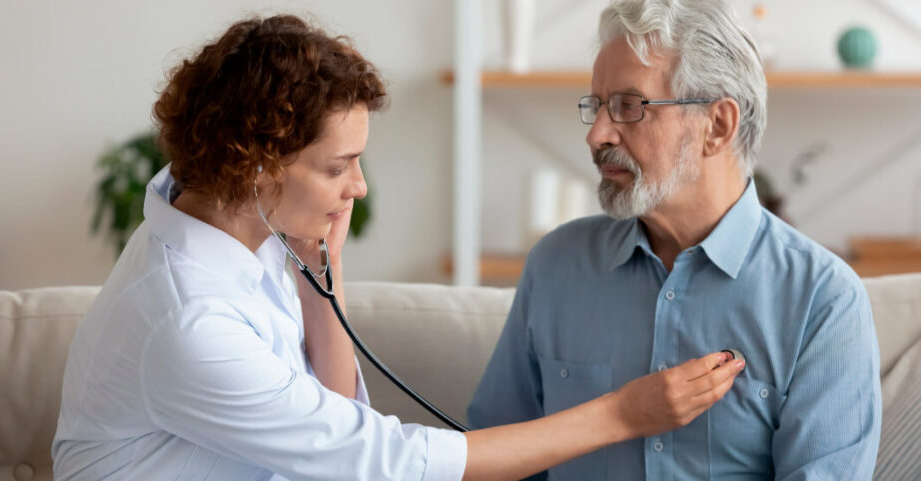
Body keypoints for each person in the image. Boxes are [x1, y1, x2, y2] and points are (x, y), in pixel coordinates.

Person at [51, 14, 745, 481]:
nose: (357, 187)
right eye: (337, 166)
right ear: (257, 165)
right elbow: (375, 459)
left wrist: (322, 272)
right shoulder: (189, 318)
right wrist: (625, 413)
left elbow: (332, 418)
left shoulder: (235, 229)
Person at [468, 0, 882, 479]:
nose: (597, 135)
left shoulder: (823, 300)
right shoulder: (555, 267)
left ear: (717, 126)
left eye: (629, 106)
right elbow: (490, 463)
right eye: (596, 107)